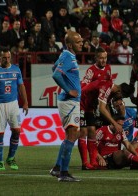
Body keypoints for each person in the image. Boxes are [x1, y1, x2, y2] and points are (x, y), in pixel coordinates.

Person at [0, 50, 28, 171]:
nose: (7, 60)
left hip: (13, 104)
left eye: (9, 57)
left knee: (17, 131)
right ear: (0, 58)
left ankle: (10, 158)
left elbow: (21, 86)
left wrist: (25, 102)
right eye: (5, 58)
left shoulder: (16, 69)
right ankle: (0, 161)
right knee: (0, 134)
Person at [49, 30, 83, 182]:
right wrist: (69, 89)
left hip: (70, 102)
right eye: (78, 42)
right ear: (70, 45)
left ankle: (57, 168)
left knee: (70, 135)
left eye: (81, 41)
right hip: (69, 101)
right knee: (72, 134)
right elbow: (55, 74)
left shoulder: (67, 55)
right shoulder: (68, 56)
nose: (81, 44)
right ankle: (64, 174)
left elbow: (54, 67)